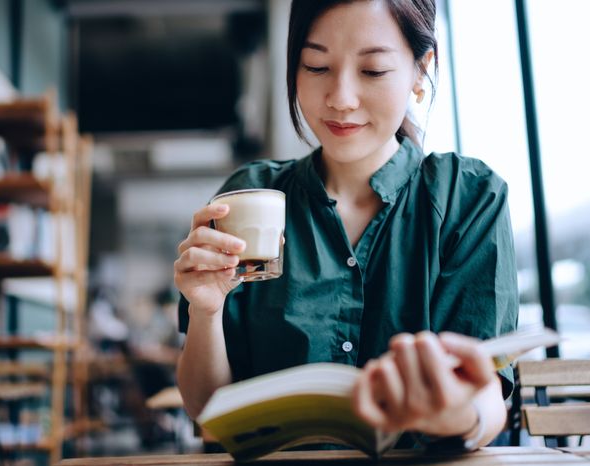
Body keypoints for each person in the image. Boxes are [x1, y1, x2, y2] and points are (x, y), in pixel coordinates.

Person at [173, 0, 518, 451]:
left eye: (372, 70)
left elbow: (488, 392)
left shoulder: (469, 197)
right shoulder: (251, 197)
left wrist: (458, 413)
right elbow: (207, 409)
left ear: (420, 71)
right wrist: (206, 309)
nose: (340, 98)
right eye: (316, 66)